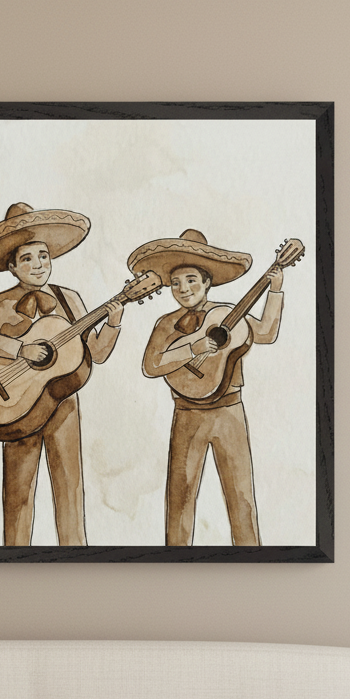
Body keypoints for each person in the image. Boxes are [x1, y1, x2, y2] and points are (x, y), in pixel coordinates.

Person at [0, 203, 123, 545]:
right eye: (27, 259)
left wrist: (114, 322)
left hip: (62, 403)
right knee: (18, 489)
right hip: (14, 403)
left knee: (69, 485)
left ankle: (75, 556)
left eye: (43, 256)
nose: (38, 265)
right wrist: (20, 351)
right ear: (11, 265)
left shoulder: (70, 300)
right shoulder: (1, 301)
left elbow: (96, 353)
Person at [129, 229, 284, 546]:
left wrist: (276, 290)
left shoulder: (228, 314)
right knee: (180, 498)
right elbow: (151, 365)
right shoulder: (165, 324)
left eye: (191, 281)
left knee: (241, 498)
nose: (183, 289)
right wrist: (194, 348)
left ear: (208, 283)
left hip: (229, 412)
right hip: (187, 414)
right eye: (175, 283)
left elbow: (266, 333)